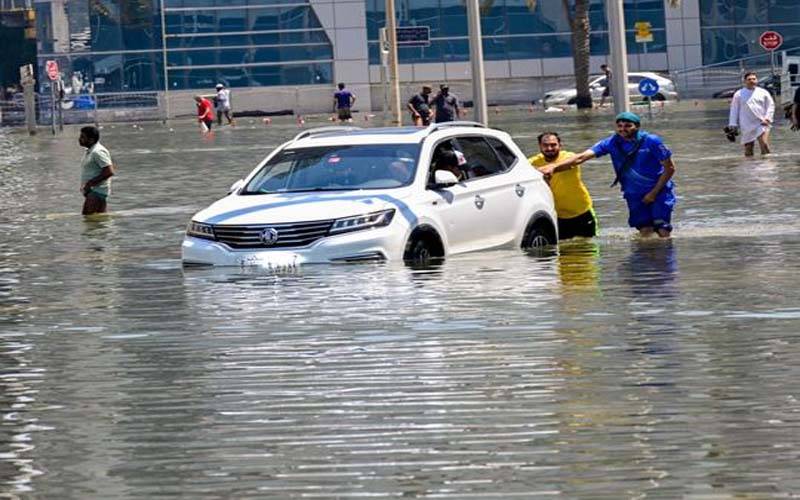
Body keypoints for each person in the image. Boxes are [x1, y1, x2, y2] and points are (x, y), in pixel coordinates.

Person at [539, 112, 676, 239]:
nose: (623, 129)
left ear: (637, 126)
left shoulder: (652, 141)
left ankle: (663, 263)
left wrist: (653, 193)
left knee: (662, 229)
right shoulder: (611, 143)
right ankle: (647, 264)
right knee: (645, 231)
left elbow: (669, 168)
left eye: (628, 126)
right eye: (620, 126)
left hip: (659, 190)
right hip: (634, 194)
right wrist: (553, 167)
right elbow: (581, 157)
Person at [529, 132, 597, 240]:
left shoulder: (568, 157)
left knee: (588, 249)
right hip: (557, 216)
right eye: (545, 145)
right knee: (564, 253)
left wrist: (550, 168)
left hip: (582, 211)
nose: (550, 148)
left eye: (553, 145)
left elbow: (571, 163)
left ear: (560, 145)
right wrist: (538, 170)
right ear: (540, 146)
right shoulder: (532, 162)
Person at [728, 72, 774, 156]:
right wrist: (732, 124)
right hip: (746, 124)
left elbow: (770, 106)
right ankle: (749, 167)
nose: (752, 81)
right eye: (749, 79)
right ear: (744, 81)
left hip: (761, 122)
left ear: (757, 80)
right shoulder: (739, 94)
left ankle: (767, 166)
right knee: (749, 148)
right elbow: (734, 110)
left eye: (754, 79)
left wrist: (767, 118)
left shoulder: (763, 92)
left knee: (764, 144)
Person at [78, 126, 115, 215]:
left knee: (89, 220)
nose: (79, 139)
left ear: (91, 140)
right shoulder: (90, 151)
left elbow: (109, 171)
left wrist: (90, 184)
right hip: (93, 191)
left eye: (83, 137)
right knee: (97, 221)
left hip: (97, 191)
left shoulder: (98, 152)